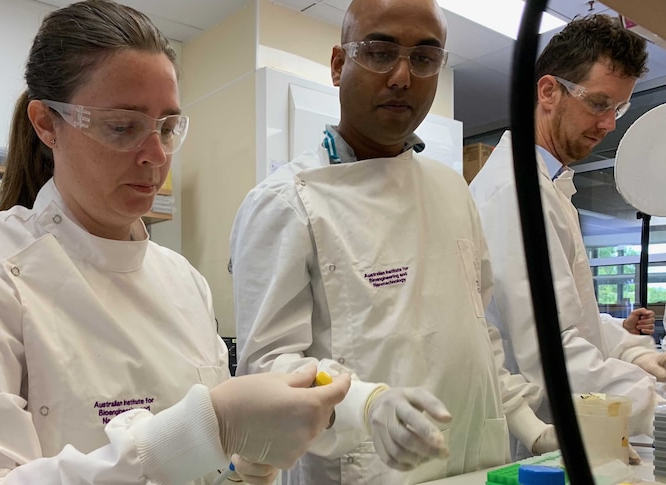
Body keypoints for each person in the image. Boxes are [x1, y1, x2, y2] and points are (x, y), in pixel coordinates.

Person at [0, 1, 351, 484]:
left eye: (166, 127)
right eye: (123, 127)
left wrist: (251, 459)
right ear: (46, 123)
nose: (156, 155)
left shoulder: (184, 281)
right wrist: (207, 428)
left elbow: (212, 472)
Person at [230, 0, 556, 483]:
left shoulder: (451, 190)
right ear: (339, 64)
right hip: (368, 469)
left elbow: (477, 337)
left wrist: (533, 428)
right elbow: (271, 370)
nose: (403, 77)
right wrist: (367, 404)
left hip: (477, 462)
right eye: (380, 52)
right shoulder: (284, 202)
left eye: (424, 58)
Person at [469, 13, 665, 459]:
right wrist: (651, 401)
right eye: (598, 104)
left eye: (618, 108)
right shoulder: (516, 193)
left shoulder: (551, 185)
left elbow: (575, 320)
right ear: (548, 91)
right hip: (529, 441)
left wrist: (636, 357)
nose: (609, 124)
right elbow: (550, 356)